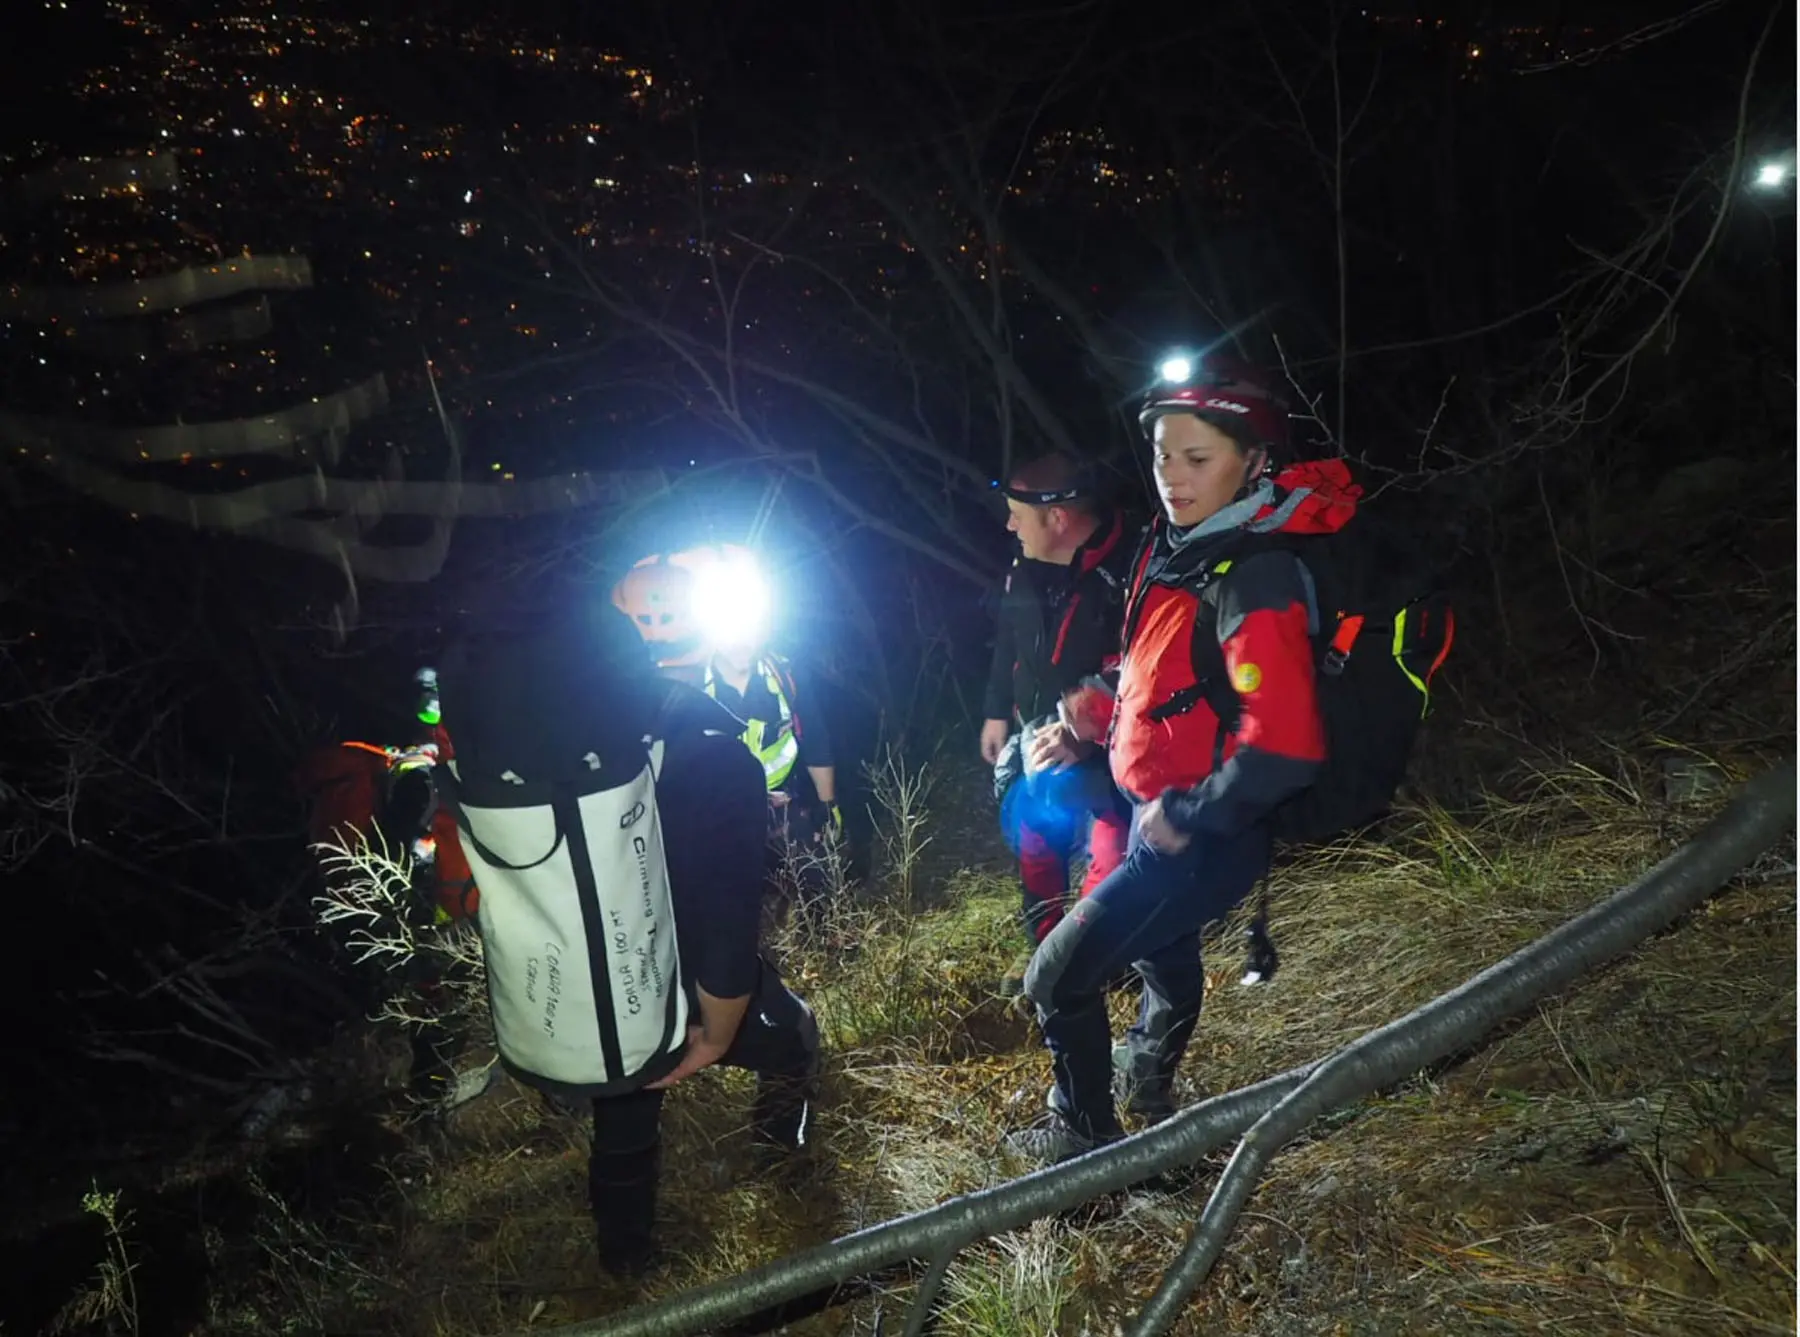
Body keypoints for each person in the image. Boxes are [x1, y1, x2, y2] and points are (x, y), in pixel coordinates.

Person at [1011, 355, 1347, 1163]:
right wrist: (1092, 715)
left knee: (1055, 980)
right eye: (1164, 453)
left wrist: (1187, 815)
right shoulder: (1186, 547)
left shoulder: (1255, 574)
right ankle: (1148, 1081)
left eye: (1199, 458)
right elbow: (1160, 668)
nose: (1173, 475)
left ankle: (1081, 1140)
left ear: (1255, 461)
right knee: (1165, 959)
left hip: (1198, 837)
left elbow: (1288, 745)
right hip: (1157, 814)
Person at [439, 594, 820, 1277]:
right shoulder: (716, 761)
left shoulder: (524, 764)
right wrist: (719, 1031)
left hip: (589, 986)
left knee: (627, 1106)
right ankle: (781, 1153)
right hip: (689, 974)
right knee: (793, 1034)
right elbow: (730, 928)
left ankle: (626, 1266)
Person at [614, 545, 843, 925]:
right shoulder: (687, 686)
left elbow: (816, 741)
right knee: (733, 910)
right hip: (722, 814)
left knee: (818, 885)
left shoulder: (782, 675)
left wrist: (828, 808)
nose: (742, 643)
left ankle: (825, 941)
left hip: (785, 806)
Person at [980, 454, 1136, 986]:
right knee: (1033, 829)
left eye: (1015, 514)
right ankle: (1049, 951)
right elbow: (1010, 640)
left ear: (1058, 519)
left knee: (1112, 846)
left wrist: (1085, 726)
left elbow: (1150, 666)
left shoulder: (1133, 569)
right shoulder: (1028, 569)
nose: (1008, 526)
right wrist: (997, 710)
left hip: (1118, 746)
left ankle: (1089, 958)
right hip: (1040, 732)